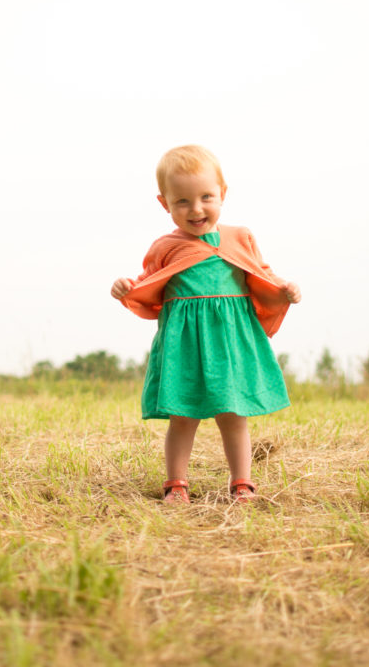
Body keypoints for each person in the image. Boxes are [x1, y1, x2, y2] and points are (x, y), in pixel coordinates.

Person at [111, 144, 301, 505]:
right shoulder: (165, 246)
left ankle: (242, 482)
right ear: (164, 203)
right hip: (186, 345)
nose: (195, 209)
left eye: (205, 197)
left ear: (222, 194)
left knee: (234, 413)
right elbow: (148, 281)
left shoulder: (239, 237)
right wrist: (126, 289)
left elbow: (261, 274)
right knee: (183, 414)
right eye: (181, 201)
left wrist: (284, 289)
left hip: (229, 342)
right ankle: (176, 483)